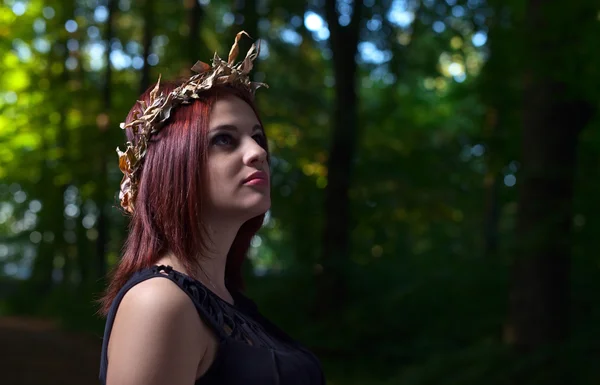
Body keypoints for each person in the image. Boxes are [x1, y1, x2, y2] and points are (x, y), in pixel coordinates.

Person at [98, 32, 325, 385]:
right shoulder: (158, 303)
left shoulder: (231, 304)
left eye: (257, 137)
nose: (258, 152)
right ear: (171, 166)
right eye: (225, 139)